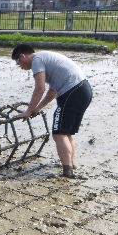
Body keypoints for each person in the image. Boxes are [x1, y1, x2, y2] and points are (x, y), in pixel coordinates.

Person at [11, 44, 93, 178]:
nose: (20, 66)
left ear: (22, 56)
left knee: (58, 133)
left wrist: (28, 111)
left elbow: (40, 88)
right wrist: (36, 109)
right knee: (66, 132)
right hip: (83, 90)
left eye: (18, 63)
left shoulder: (37, 60)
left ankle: (68, 171)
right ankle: (71, 164)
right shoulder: (46, 58)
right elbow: (52, 91)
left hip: (72, 92)